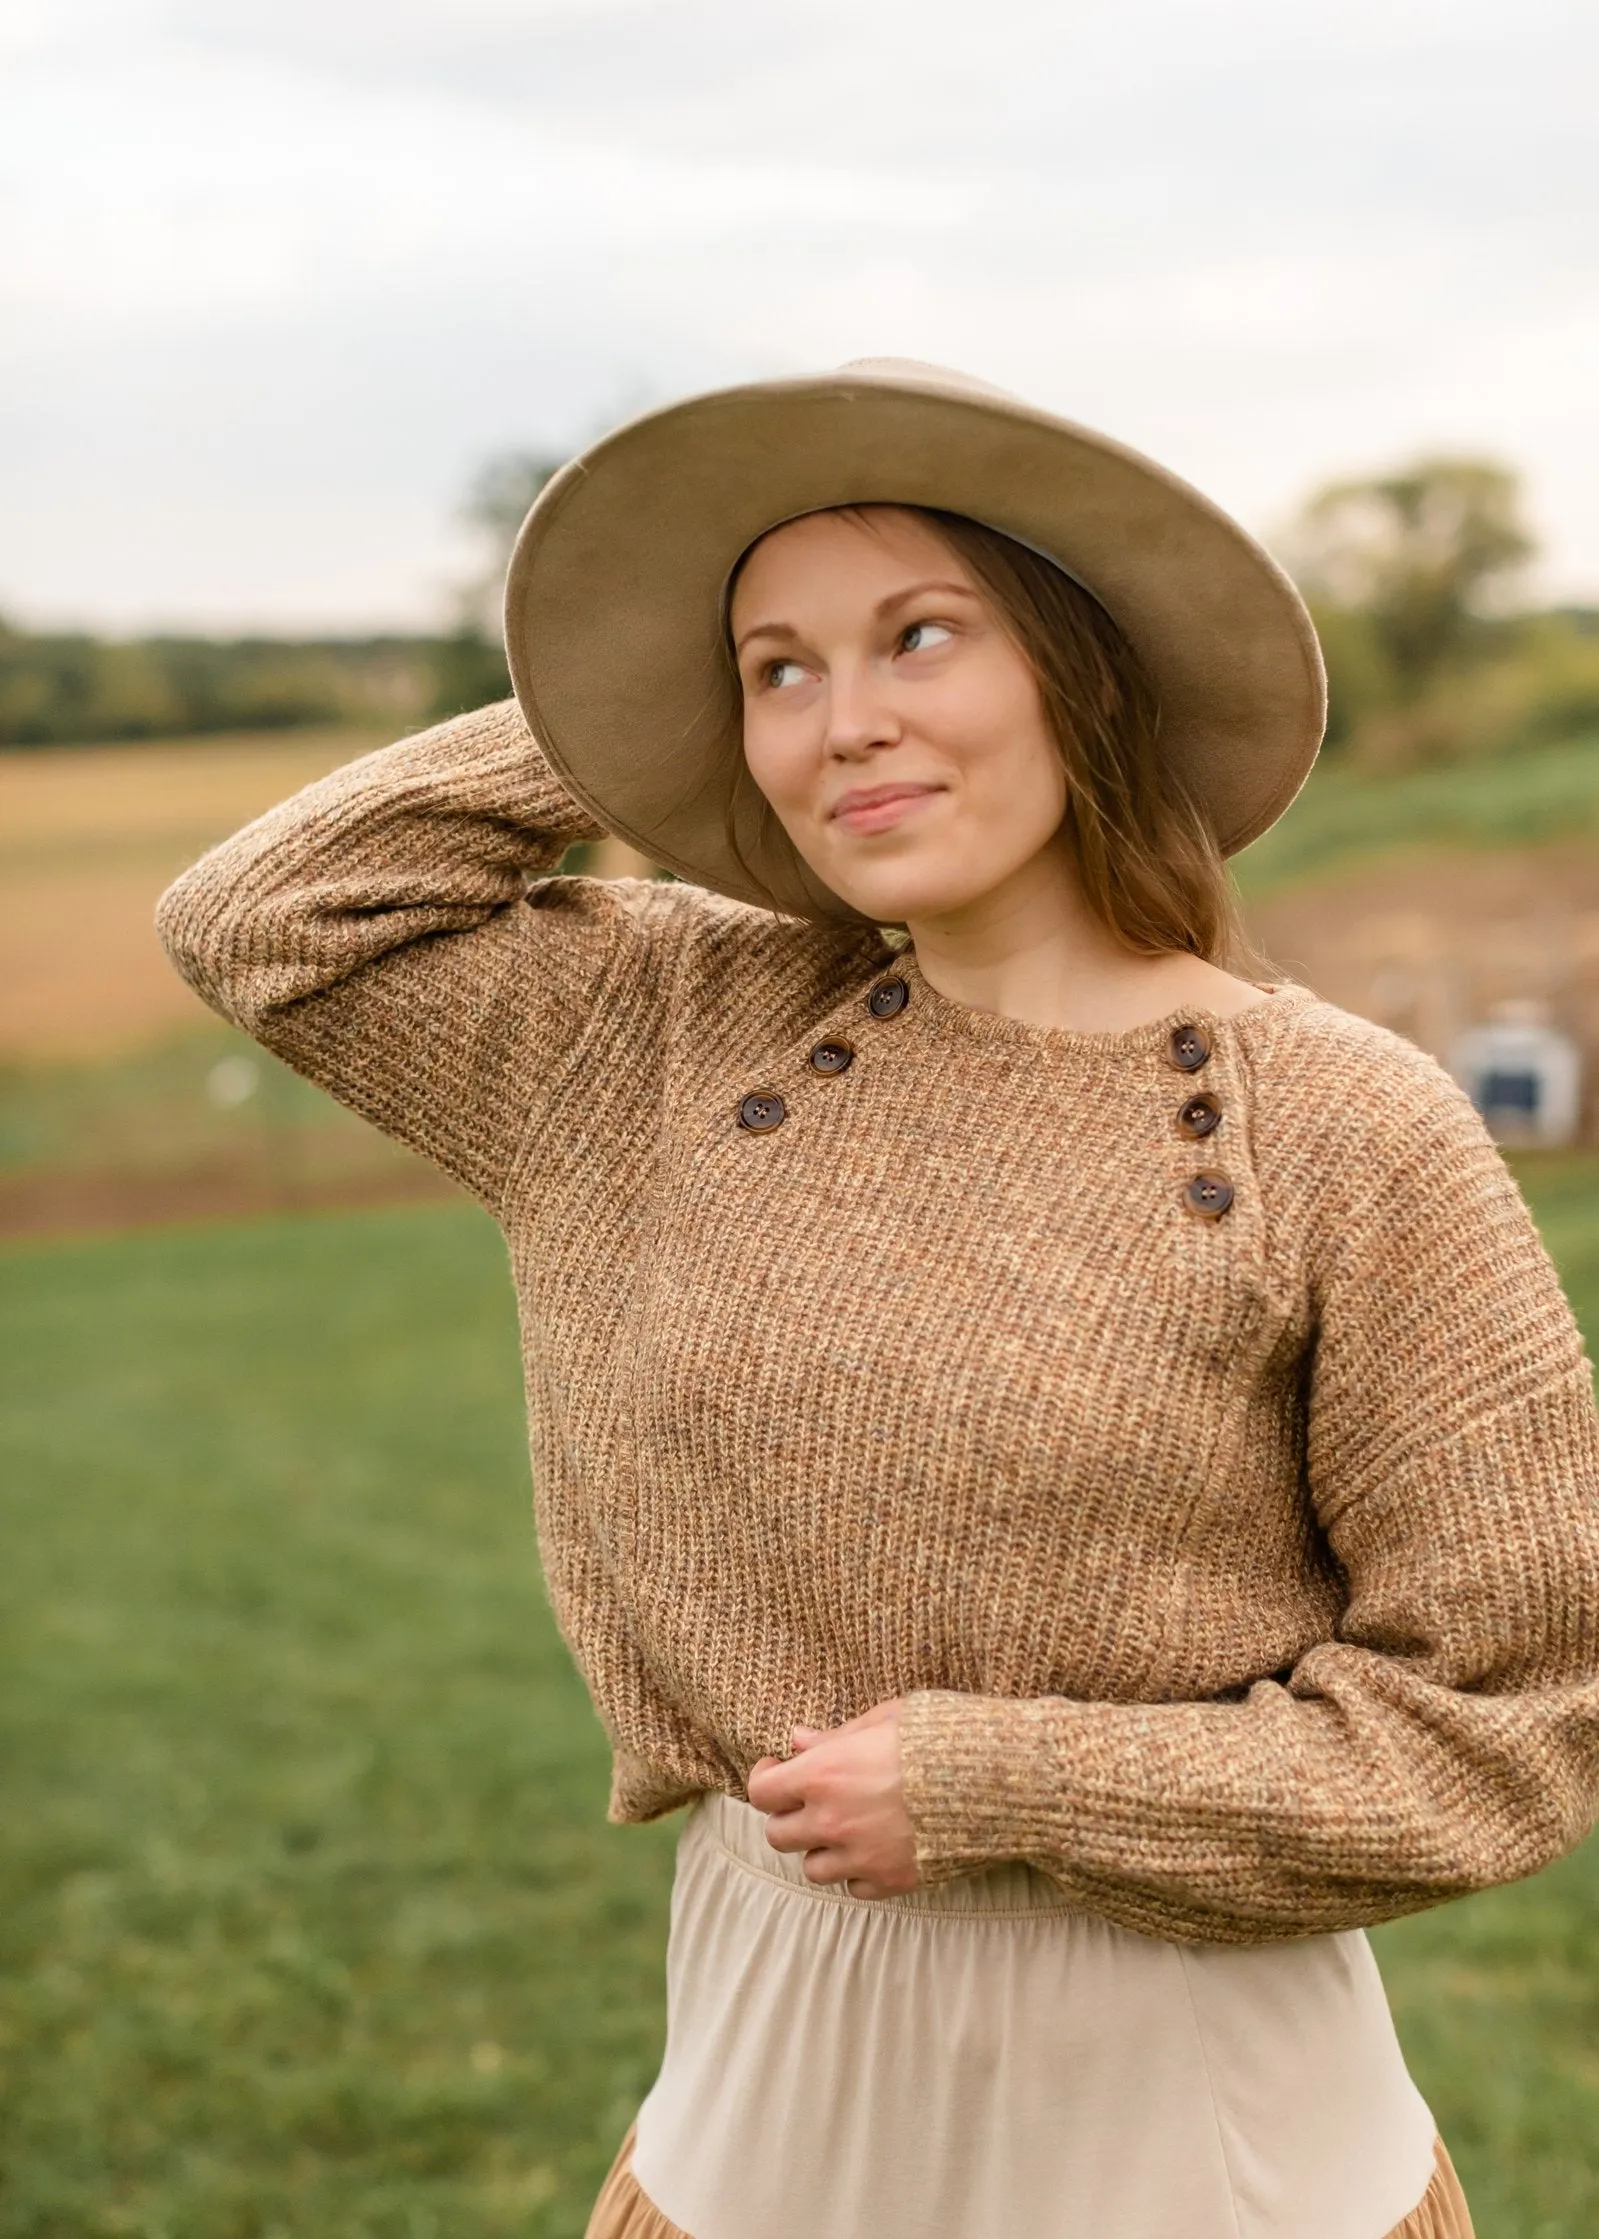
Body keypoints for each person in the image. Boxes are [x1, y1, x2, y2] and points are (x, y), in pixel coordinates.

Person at [156, 360, 1599, 2239]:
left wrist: (1012, 1781)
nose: (844, 724)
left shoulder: (1348, 1127)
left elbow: (1514, 1714)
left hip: (1212, 2148)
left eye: (922, 637)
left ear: (1081, 669)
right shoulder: (659, 1030)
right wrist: (625, 700)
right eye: (776, 668)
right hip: (755, 2115)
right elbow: (268, 916)